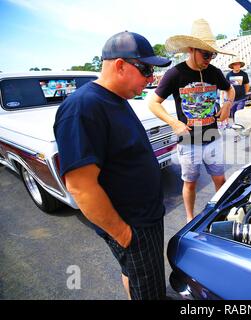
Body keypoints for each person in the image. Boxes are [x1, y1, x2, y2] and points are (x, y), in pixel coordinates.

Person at [53, 31, 171, 300]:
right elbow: (80, 186)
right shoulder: (83, 107)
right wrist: (123, 233)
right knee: (150, 291)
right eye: (146, 69)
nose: (151, 78)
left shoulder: (117, 98)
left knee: (135, 276)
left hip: (144, 217)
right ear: (120, 65)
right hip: (133, 225)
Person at [148, 19, 235, 223]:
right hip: (188, 141)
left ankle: (220, 213)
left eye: (212, 54)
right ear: (191, 49)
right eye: (206, 54)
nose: (209, 59)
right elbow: (153, 103)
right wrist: (174, 122)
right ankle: (189, 217)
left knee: (220, 179)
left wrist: (227, 104)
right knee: (190, 183)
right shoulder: (175, 74)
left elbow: (229, 89)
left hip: (212, 136)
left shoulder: (214, 72)